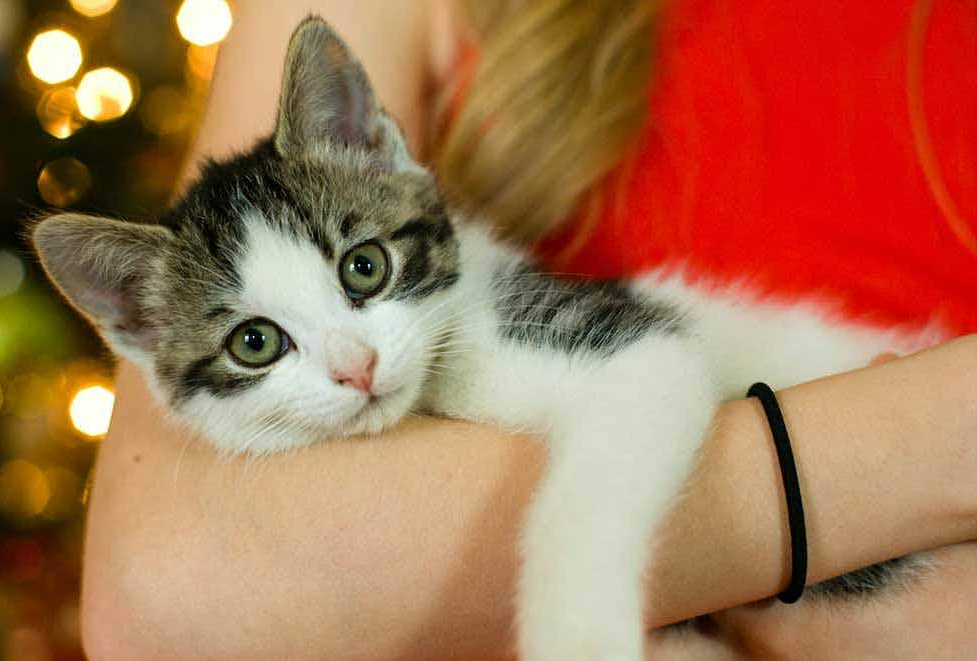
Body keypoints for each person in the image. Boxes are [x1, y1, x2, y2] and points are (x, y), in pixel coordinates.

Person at [80, 1, 977, 659]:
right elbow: (160, 591)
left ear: (372, 146)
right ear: (141, 327)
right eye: (257, 343)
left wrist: (576, 613)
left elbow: (648, 370)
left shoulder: (476, 330)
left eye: (364, 273)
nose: (353, 365)